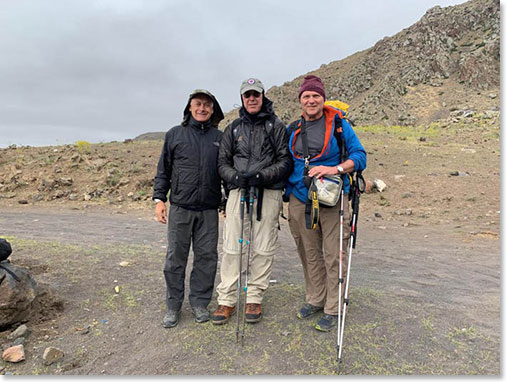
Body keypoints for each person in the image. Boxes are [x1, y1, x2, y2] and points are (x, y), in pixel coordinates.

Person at [285, 75, 367, 332]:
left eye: (315, 96)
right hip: (301, 199)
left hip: (332, 199)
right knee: (309, 253)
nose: (311, 100)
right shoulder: (293, 129)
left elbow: (359, 156)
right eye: (306, 96)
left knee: (333, 254)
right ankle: (315, 299)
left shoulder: (340, 126)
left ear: (323, 98)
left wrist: (334, 168)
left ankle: (334, 307)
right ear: (300, 101)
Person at [212, 78, 292, 325]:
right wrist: (235, 176)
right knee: (232, 246)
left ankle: (254, 297)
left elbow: (285, 161)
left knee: (263, 245)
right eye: (247, 95)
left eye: (255, 94)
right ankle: (226, 300)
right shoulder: (233, 128)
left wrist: (263, 175)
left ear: (262, 96)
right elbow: (222, 162)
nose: (252, 99)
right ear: (242, 99)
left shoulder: (275, 125)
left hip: (267, 192)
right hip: (238, 191)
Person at [153, 89, 224, 328]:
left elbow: (225, 172)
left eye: (207, 105)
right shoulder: (175, 134)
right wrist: (159, 199)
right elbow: (163, 170)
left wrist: (227, 201)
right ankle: (173, 306)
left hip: (209, 210)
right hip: (181, 208)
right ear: (190, 107)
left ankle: (200, 303)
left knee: (207, 258)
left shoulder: (220, 138)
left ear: (213, 109)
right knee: (175, 258)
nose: (202, 108)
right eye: (198, 104)